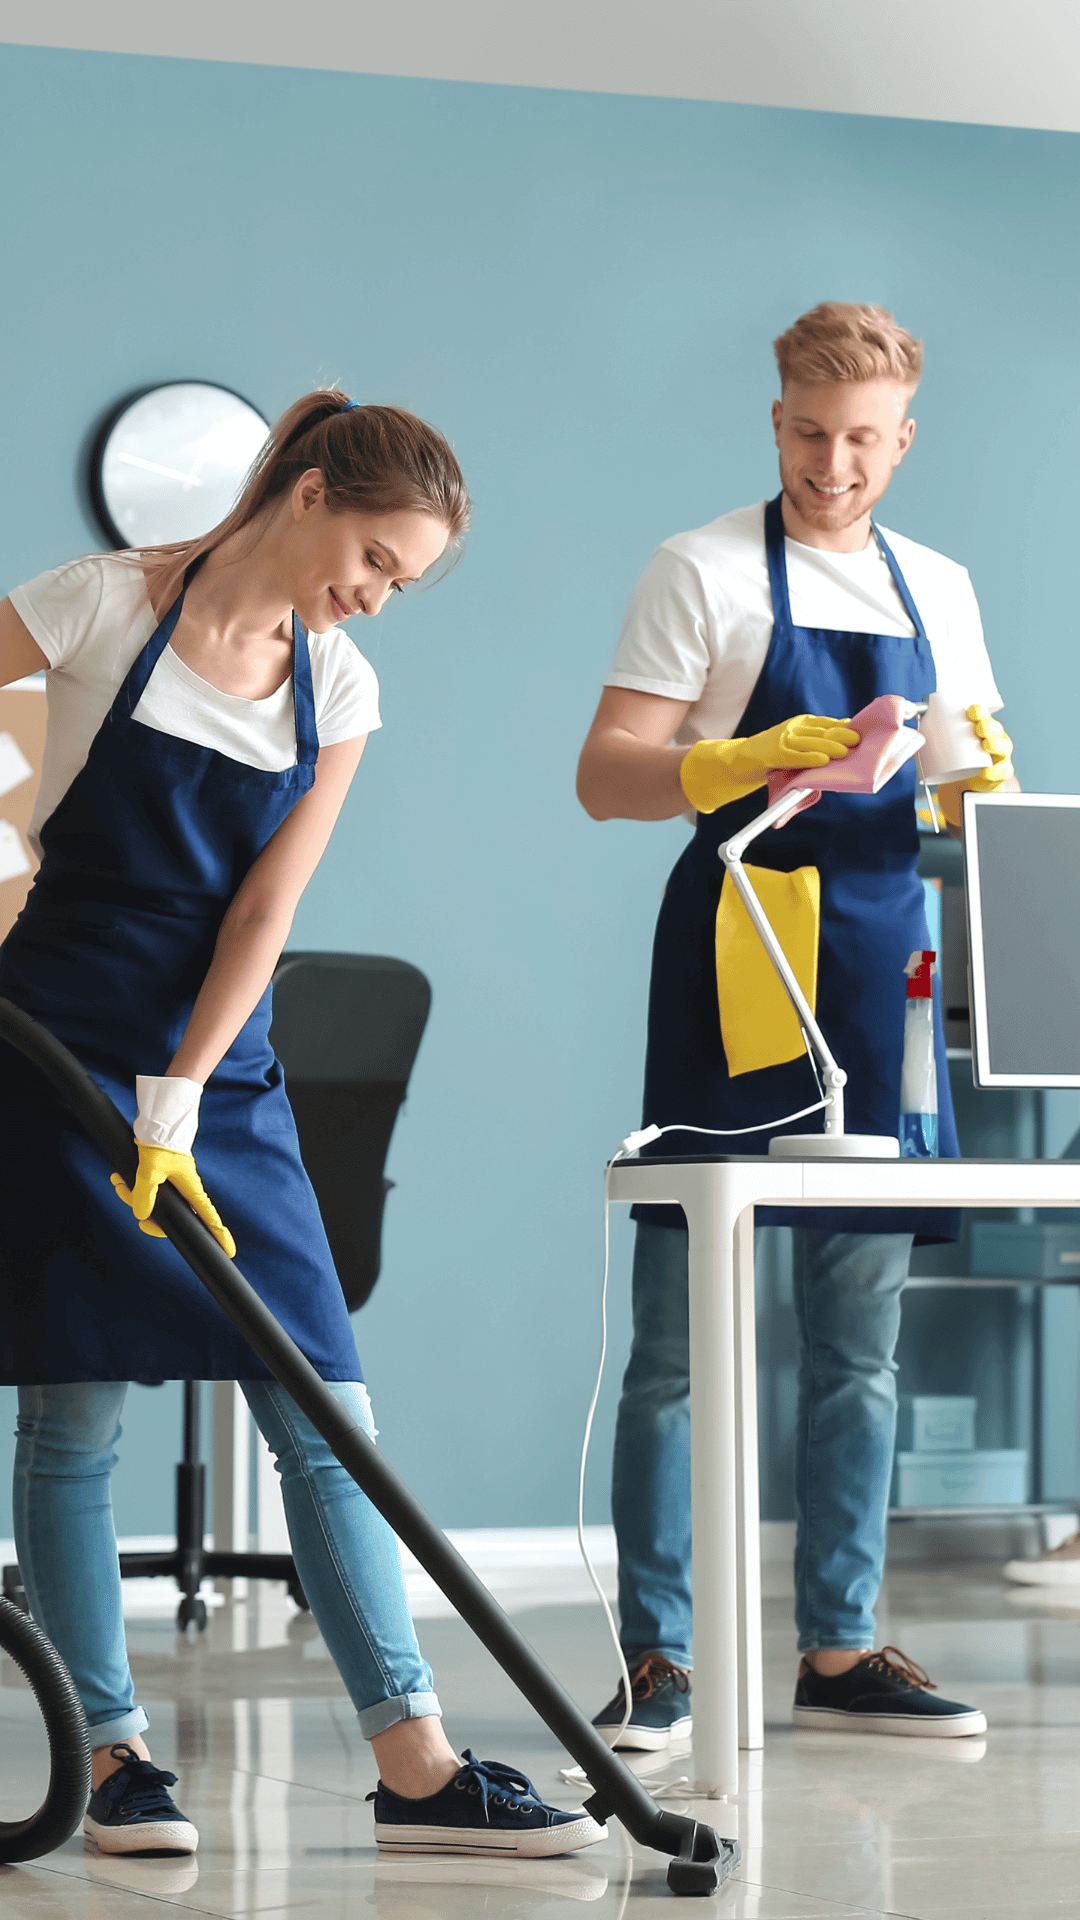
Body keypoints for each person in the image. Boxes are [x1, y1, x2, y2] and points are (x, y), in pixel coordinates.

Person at [0, 390, 605, 1861]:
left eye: (401, 582)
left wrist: (189, 1088)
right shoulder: (88, 609)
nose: (377, 598)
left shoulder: (339, 692)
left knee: (323, 1408)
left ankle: (415, 1759)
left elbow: (266, 908)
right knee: (73, 1411)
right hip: (51, 1039)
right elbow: (2, 802)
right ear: (313, 491)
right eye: (379, 561)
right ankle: (113, 1758)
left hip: (216, 1061)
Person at [576, 304, 1018, 1746]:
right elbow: (606, 777)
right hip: (741, 947)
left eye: (864, 440)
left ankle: (840, 1647)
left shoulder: (940, 586)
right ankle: (659, 1658)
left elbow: (964, 784)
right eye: (812, 433)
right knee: (676, 1344)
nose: (836, 465)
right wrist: (730, 756)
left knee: (860, 1338)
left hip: (887, 955)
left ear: (904, 439)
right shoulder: (699, 570)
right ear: (775, 421)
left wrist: (978, 781)